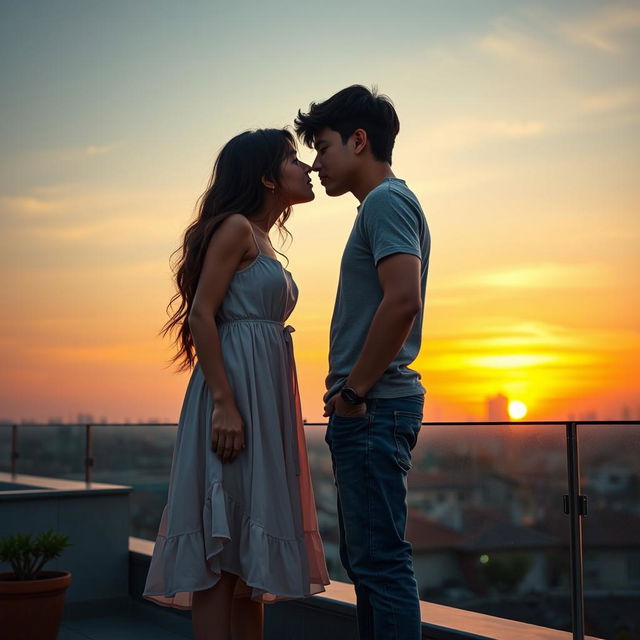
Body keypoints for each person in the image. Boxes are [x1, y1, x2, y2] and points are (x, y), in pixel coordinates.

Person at [143, 128, 329, 640]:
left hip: (261, 397)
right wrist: (225, 404)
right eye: (293, 158)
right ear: (268, 176)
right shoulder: (236, 229)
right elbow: (202, 315)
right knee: (222, 550)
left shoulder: (262, 238)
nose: (307, 166)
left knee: (250, 563)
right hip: (234, 397)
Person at [295, 86, 430, 640]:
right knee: (370, 564)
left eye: (323, 147)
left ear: (359, 140)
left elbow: (403, 300)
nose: (316, 163)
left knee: (380, 564)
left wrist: (353, 392)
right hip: (370, 409)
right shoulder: (382, 205)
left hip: (372, 409)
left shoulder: (385, 203)